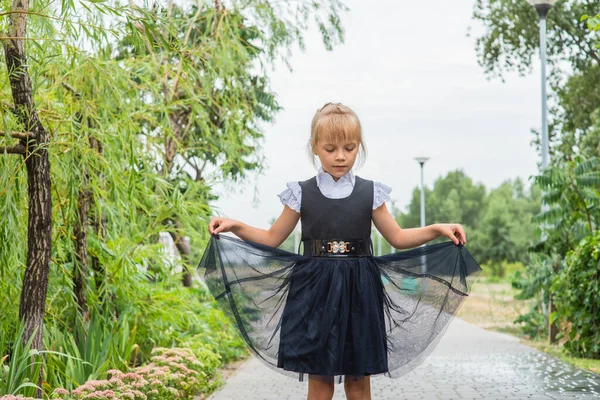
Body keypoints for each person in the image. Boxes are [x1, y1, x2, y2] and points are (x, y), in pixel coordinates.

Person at [199, 102, 482, 400]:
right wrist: (235, 226)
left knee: (358, 382)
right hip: (313, 290)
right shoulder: (300, 192)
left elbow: (397, 237)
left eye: (349, 148)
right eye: (331, 148)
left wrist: (437, 228)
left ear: (359, 147)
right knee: (320, 381)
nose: (340, 156)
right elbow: (271, 238)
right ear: (315, 147)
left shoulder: (371, 192)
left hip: (360, 289)